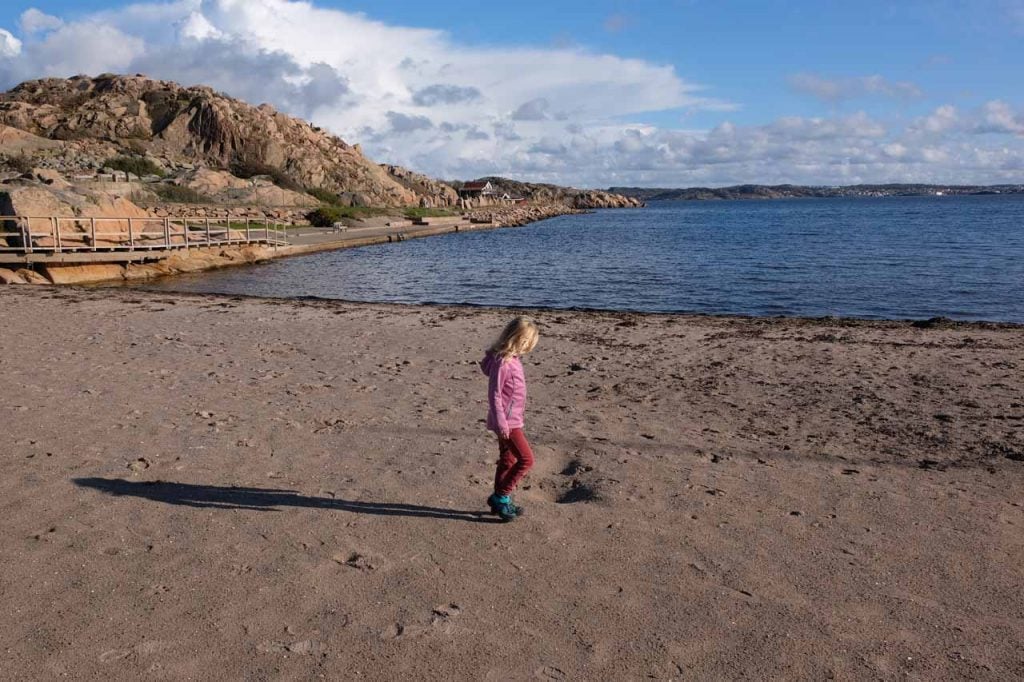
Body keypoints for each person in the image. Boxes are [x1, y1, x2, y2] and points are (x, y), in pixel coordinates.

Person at [479, 317, 539, 521]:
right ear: (516, 339)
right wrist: (502, 423)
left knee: (507, 459)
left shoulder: (512, 359)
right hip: (507, 422)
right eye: (526, 343)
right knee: (526, 459)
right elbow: (494, 394)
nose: (527, 348)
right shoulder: (503, 362)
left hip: (513, 418)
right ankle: (500, 496)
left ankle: (500, 505)